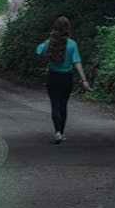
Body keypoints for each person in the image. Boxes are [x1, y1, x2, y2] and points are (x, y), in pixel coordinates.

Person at [36, 16, 91, 144]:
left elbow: (38, 51)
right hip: (67, 78)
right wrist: (84, 80)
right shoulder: (72, 44)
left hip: (53, 76)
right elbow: (77, 62)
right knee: (63, 105)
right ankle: (62, 131)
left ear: (55, 27)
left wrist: (46, 42)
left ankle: (57, 133)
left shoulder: (50, 43)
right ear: (68, 29)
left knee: (55, 105)